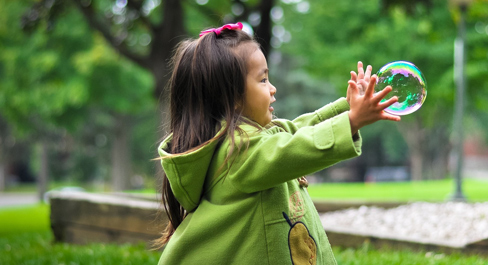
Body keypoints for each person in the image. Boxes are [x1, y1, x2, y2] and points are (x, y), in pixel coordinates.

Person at [155, 22, 400, 265]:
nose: (272, 89)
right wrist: (352, 120)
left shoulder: (250, 139)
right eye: (262, 80)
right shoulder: (237, 152)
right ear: (232, 97)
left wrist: (348, 107)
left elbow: (298, 129)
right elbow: (293, 148)